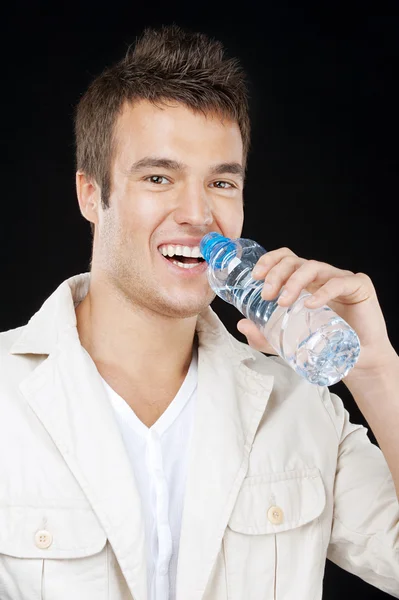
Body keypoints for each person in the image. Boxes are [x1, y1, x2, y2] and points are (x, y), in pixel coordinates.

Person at [0, 24, 398, 600]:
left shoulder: (301, 409)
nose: (197, 212)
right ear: (91, 194)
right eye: (159, 177)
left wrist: (376, 370)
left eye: (221, 181)